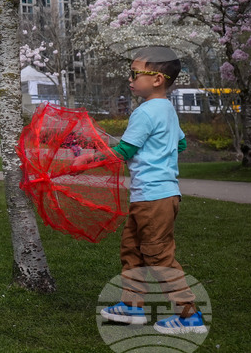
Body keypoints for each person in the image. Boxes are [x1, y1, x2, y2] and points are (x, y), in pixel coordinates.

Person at [76, 46, 206, 334]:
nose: (130, 79)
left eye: (135, 74)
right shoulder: (167, 110)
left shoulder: (145, 112)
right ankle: (132, 307)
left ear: (157, 79)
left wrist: (88, 159)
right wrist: (159, 154)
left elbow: (124, 151)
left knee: (158, 256)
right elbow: (181, 143)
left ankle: (189, 316)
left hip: (153, 198)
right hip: (154, 196)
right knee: (132, 249)